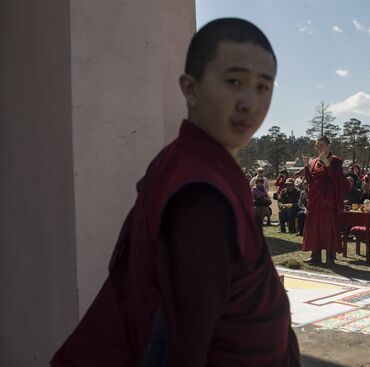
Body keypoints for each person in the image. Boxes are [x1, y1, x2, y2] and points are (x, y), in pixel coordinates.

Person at [50, 18, 300, 366]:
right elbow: (180, 343)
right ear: (191, 88)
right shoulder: (201, 195)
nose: (250, 102)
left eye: (263, 86)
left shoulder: (185, 160)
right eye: (234, 81)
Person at [301, 136, 348, 265]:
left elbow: (337, 180)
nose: (319, 148)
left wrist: (327, 164)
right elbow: (311, 181)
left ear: (329, 145)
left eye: (321, 145)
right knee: (314, 228)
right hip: (315, 200)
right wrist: (306, 167)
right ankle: (315, 256)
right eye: (317, 146)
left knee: (328, 229)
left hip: (328, 201)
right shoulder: (314, 161)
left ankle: (330, 258)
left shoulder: (335, 161)